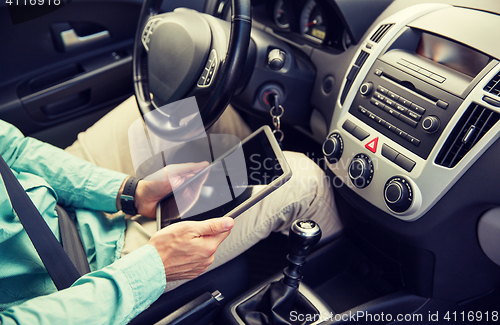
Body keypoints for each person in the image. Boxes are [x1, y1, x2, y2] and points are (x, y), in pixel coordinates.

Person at [0, 97, 342, 324]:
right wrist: (151, 268)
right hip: (82, 277)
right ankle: (347, 279)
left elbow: (11, 151)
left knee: (204, 109)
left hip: (54, 201)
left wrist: (129, 191)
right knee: (303, 179)